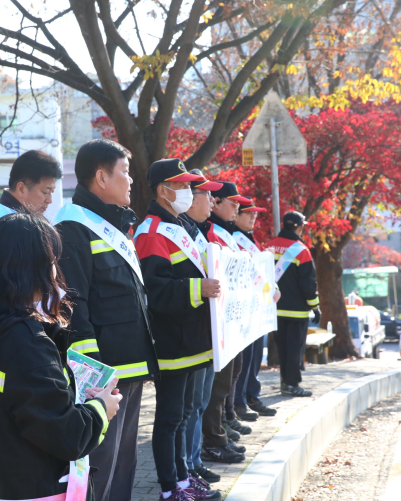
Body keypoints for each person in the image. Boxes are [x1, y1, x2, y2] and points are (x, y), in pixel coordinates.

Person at [0, 213, 121, 500]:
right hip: (36, 486)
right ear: (32, 269)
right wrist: (102, 408)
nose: (56, 271)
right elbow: (68, 436)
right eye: (53, 261)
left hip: (0, 482)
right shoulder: (26, 342)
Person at [53, 139, 158, 501]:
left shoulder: (111, 225)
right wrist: (92, 372)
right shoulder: (73, 227)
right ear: (101, 177)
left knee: (124, 461)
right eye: (125, 173)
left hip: (130, 365)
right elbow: (73, 306)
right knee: (101, 461)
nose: (130, 181)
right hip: (104, 373)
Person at [134, 159, 221, 501]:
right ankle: (170, 489)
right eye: (182, 185)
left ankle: (184, 480)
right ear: (162, 190)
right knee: (169, 418)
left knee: (183, 415)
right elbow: (154, 291)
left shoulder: (179, 226)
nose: (187, 191)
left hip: (192, 338)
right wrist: (198, 290)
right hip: (172, 341)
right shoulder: (152, 230)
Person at [180, 171, 245, 484]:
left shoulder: (198, 231)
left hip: (212, 330)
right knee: (184, 411)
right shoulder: (162, 231)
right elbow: (160, 287)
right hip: (186, 341)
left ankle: (193, 463)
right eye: (207, 194)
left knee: (200, 402)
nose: (214, 201)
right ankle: (188, 466)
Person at [200, 183, 250, 465]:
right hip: (214, 323)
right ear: (216, 203)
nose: (238, 210)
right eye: (233, 204)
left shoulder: (224, 232)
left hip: (230, 319)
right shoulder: (208, 231)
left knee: (230, 377)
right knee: (215, 387)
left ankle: (222, 426)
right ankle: (214, 439)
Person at [265, 211, 320, 397]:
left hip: (274, 309)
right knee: (295, 349)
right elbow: (308, 284)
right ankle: (292, 385)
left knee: (283, 348)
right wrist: (315, 306)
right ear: (299, 226)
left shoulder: (268, 246)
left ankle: (285, 382)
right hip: (297, 312)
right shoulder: (301, 251)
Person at [232, 203, 278, 420]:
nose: (253, 217)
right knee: (244, 359)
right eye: (248, 213)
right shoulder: (232, 237)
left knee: (254, 357)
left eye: (255, 214)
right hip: (243, 310)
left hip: (257, 309)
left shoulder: (250, 239)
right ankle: (239, 402)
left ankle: (251, 395)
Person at [0, 149, 62, 250]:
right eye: (45, 192)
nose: (50, 200)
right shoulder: (3, 224)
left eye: (52, 192)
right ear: (21, 189)